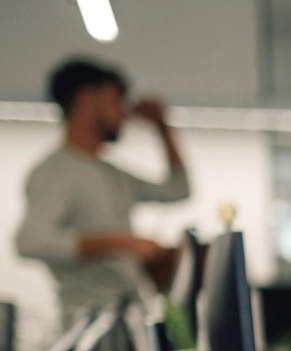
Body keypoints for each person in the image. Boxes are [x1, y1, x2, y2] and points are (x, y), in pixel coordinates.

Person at [15, 58, 190, 323]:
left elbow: (179, 189)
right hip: (91, 326)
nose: (123, 114)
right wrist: (123, 242)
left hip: (128, 317)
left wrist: (162, 128)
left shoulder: (111, 174)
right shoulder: (56, 172)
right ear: (86, 98)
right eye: (116, 101)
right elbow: (29, 241)